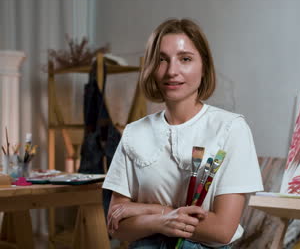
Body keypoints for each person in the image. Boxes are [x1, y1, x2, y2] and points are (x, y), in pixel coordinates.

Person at [102, 18, 264, 249]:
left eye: (185, 59)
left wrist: (155, 213)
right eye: (161, 60)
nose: (172, 71)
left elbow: (222, 230)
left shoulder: (231, 128)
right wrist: (161, 220)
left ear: (204, 66)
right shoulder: (134, 133)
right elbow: (117, 225)